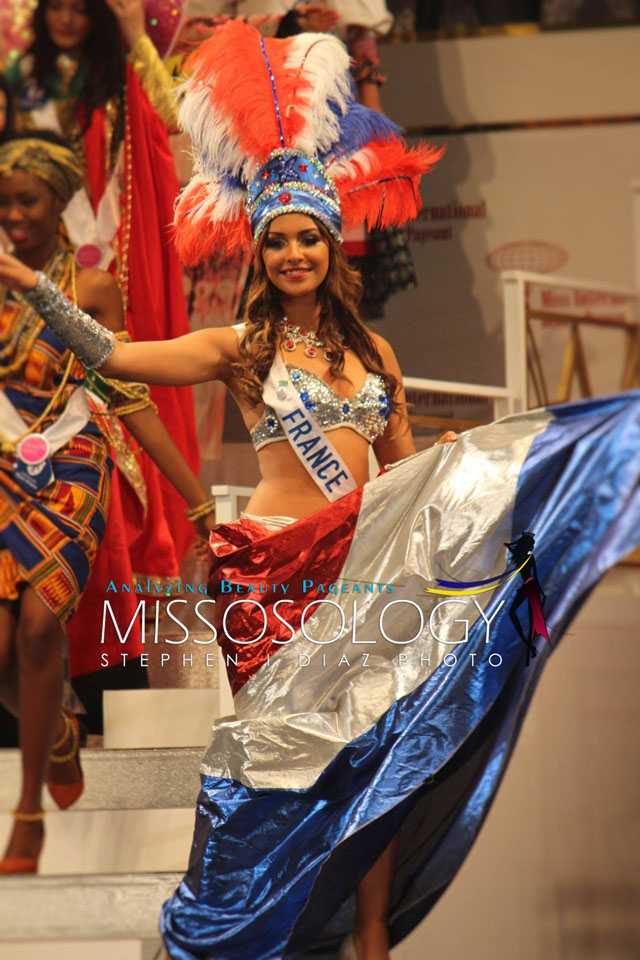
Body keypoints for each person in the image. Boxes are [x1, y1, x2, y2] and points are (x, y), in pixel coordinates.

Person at [1, 22, 638, 960]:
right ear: (258, 252)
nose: (293, 254)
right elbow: (113, 355)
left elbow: (400, 471)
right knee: (279, 764)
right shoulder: (239, 348)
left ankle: (369, 935)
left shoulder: (374, 352)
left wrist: (465, 471)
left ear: (332, 245)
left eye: (307, 239)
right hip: (264, 574)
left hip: (362, 569)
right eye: (277, 242)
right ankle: (244, 922)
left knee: (372, 757)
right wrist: (30, 288)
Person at [0, 132, 215, 874]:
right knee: (1, 653)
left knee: (36, 628)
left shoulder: (88, 287)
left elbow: (125, 391)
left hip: (72, 470)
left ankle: (27, 817)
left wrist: (193, 499)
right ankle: (56, 729)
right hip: (1, 470)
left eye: (27, 200)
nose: (14, 214)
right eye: (3, 203)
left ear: (59, 200)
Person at [5, 0, 199, 558]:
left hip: (110, 251)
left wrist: (136, 34)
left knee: (122, 375)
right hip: (31, 240)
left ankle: (136, 528)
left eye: (81, 11)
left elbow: (169, 116)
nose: (67, 21)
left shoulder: (115, 74)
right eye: (57, 8)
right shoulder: (23, 79)